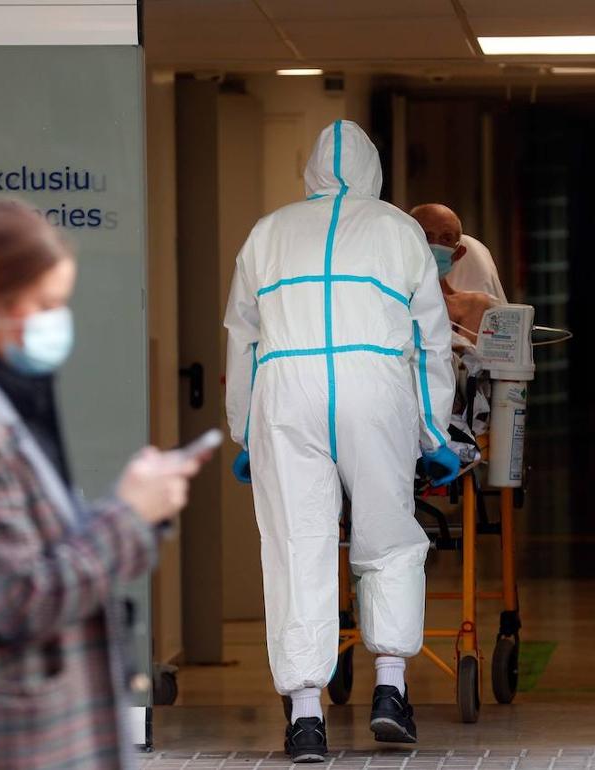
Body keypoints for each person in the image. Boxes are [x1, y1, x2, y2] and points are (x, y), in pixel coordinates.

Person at [0, 199, 201, 770]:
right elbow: (22, 599)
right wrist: (129, 515)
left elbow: (38, 550)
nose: (58, 321)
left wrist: (132, 507)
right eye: (47, 304)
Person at [224, 120, 460, 762]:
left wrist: (246, 429)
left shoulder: (267, 233)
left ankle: (306, 718)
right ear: (373, 171)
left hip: (287, 392)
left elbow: (242, 340)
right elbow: (428, 340)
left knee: (297, 543)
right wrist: (435, 431)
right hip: (372, 388)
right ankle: (390, 689)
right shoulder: (397, 229)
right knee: (387, 536)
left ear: (310, 172)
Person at [409, 203, 503, 345]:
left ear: (458, 254)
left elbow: (466, 362)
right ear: (406, 244)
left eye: (446, 238)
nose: (435, 246)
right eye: (426, 236)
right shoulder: (389, 300)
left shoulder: (474, 306)